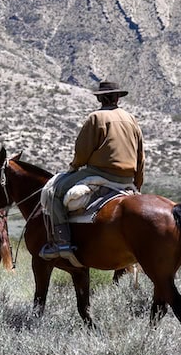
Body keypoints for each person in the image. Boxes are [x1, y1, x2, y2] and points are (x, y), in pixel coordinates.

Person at [40, 81, 145, 265]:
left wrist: (74, 166)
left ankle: (62, 243)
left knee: (53, 192)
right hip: (127, 178)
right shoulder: (131, 118)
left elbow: (82, 151)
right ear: (117, 98)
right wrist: (137, 183)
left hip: (101, 173)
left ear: (99, 98)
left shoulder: (95, 118)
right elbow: (140, 156)